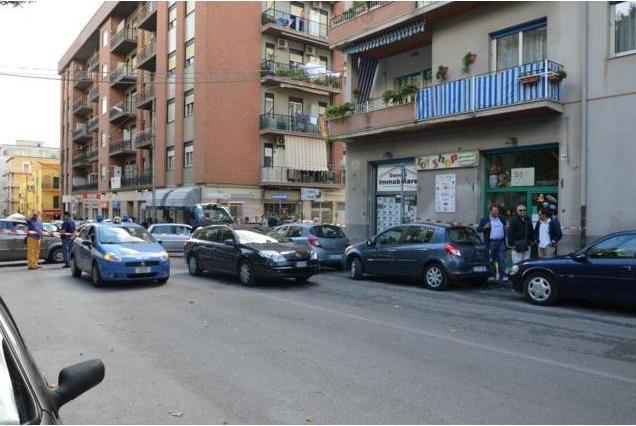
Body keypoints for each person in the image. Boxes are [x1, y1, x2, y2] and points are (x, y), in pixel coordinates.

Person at [477, 205, 508, 282]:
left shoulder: (501, 218)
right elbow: (478, 229)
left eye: (497, 210)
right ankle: (492, 276)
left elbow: (506, 225)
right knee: (491, 260)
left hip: (501, 241)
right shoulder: (485, 219)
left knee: (501, 259)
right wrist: (484, 227)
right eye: (495, 211)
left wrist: (507, 226)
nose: (497, 212)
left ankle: (502, 276)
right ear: (490, 211)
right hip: (491, 242)